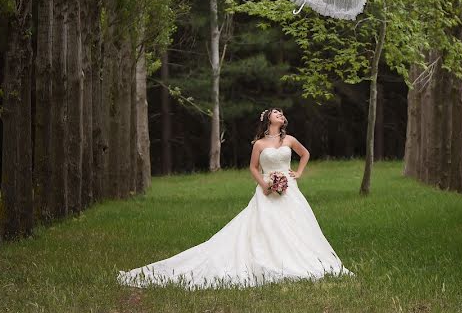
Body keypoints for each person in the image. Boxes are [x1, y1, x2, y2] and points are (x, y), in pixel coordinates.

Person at [116, 108, 354, 290]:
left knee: (298, 226)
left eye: (282, 113)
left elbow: (305, 154)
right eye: (276, 113)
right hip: (267, 190)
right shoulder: (259, 144)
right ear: (268, 120)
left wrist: (298, 173)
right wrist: (265, 185)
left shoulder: (289, 140)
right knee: (267, 227)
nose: (281, 115)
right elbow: (252, 168)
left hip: (290, 190)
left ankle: (301, 260)